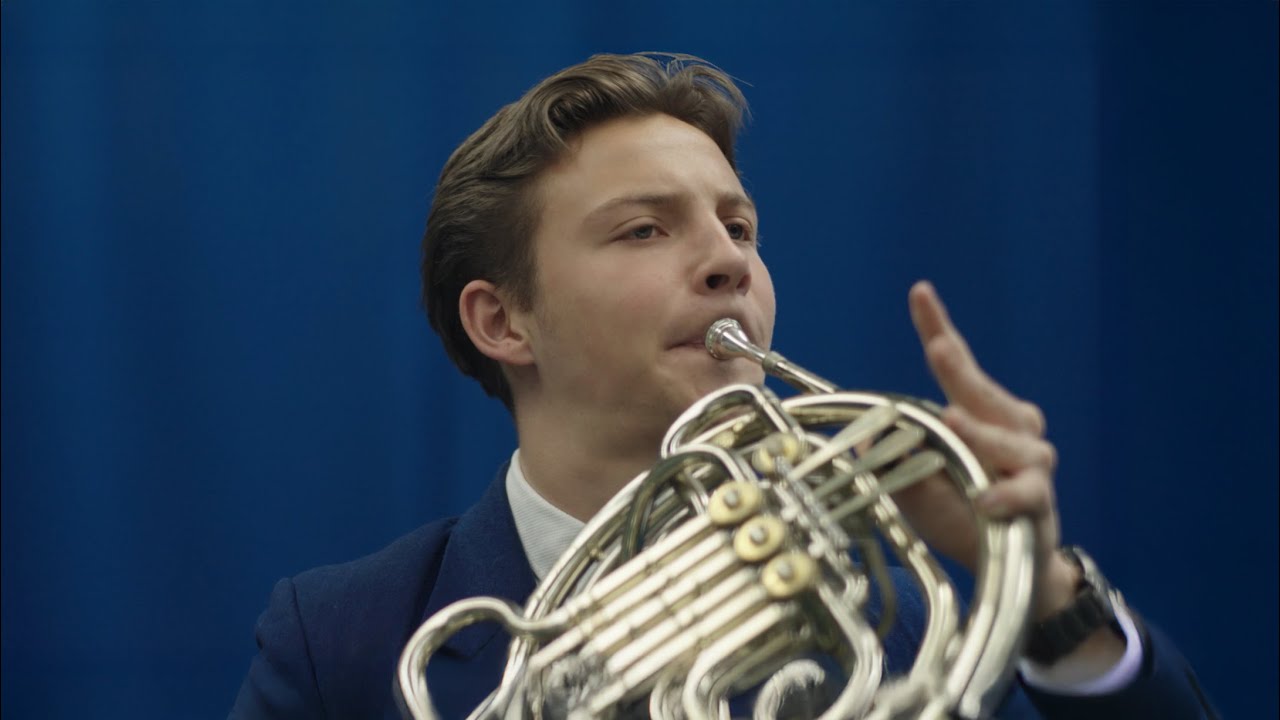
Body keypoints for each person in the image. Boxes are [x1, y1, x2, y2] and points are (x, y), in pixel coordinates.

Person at [230, 53, 1217, 719]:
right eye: (644, 229)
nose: (725, 264)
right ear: (502, 321)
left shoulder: (905, 622)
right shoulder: (345, 637)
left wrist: (1042, 591)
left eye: (738, 227)